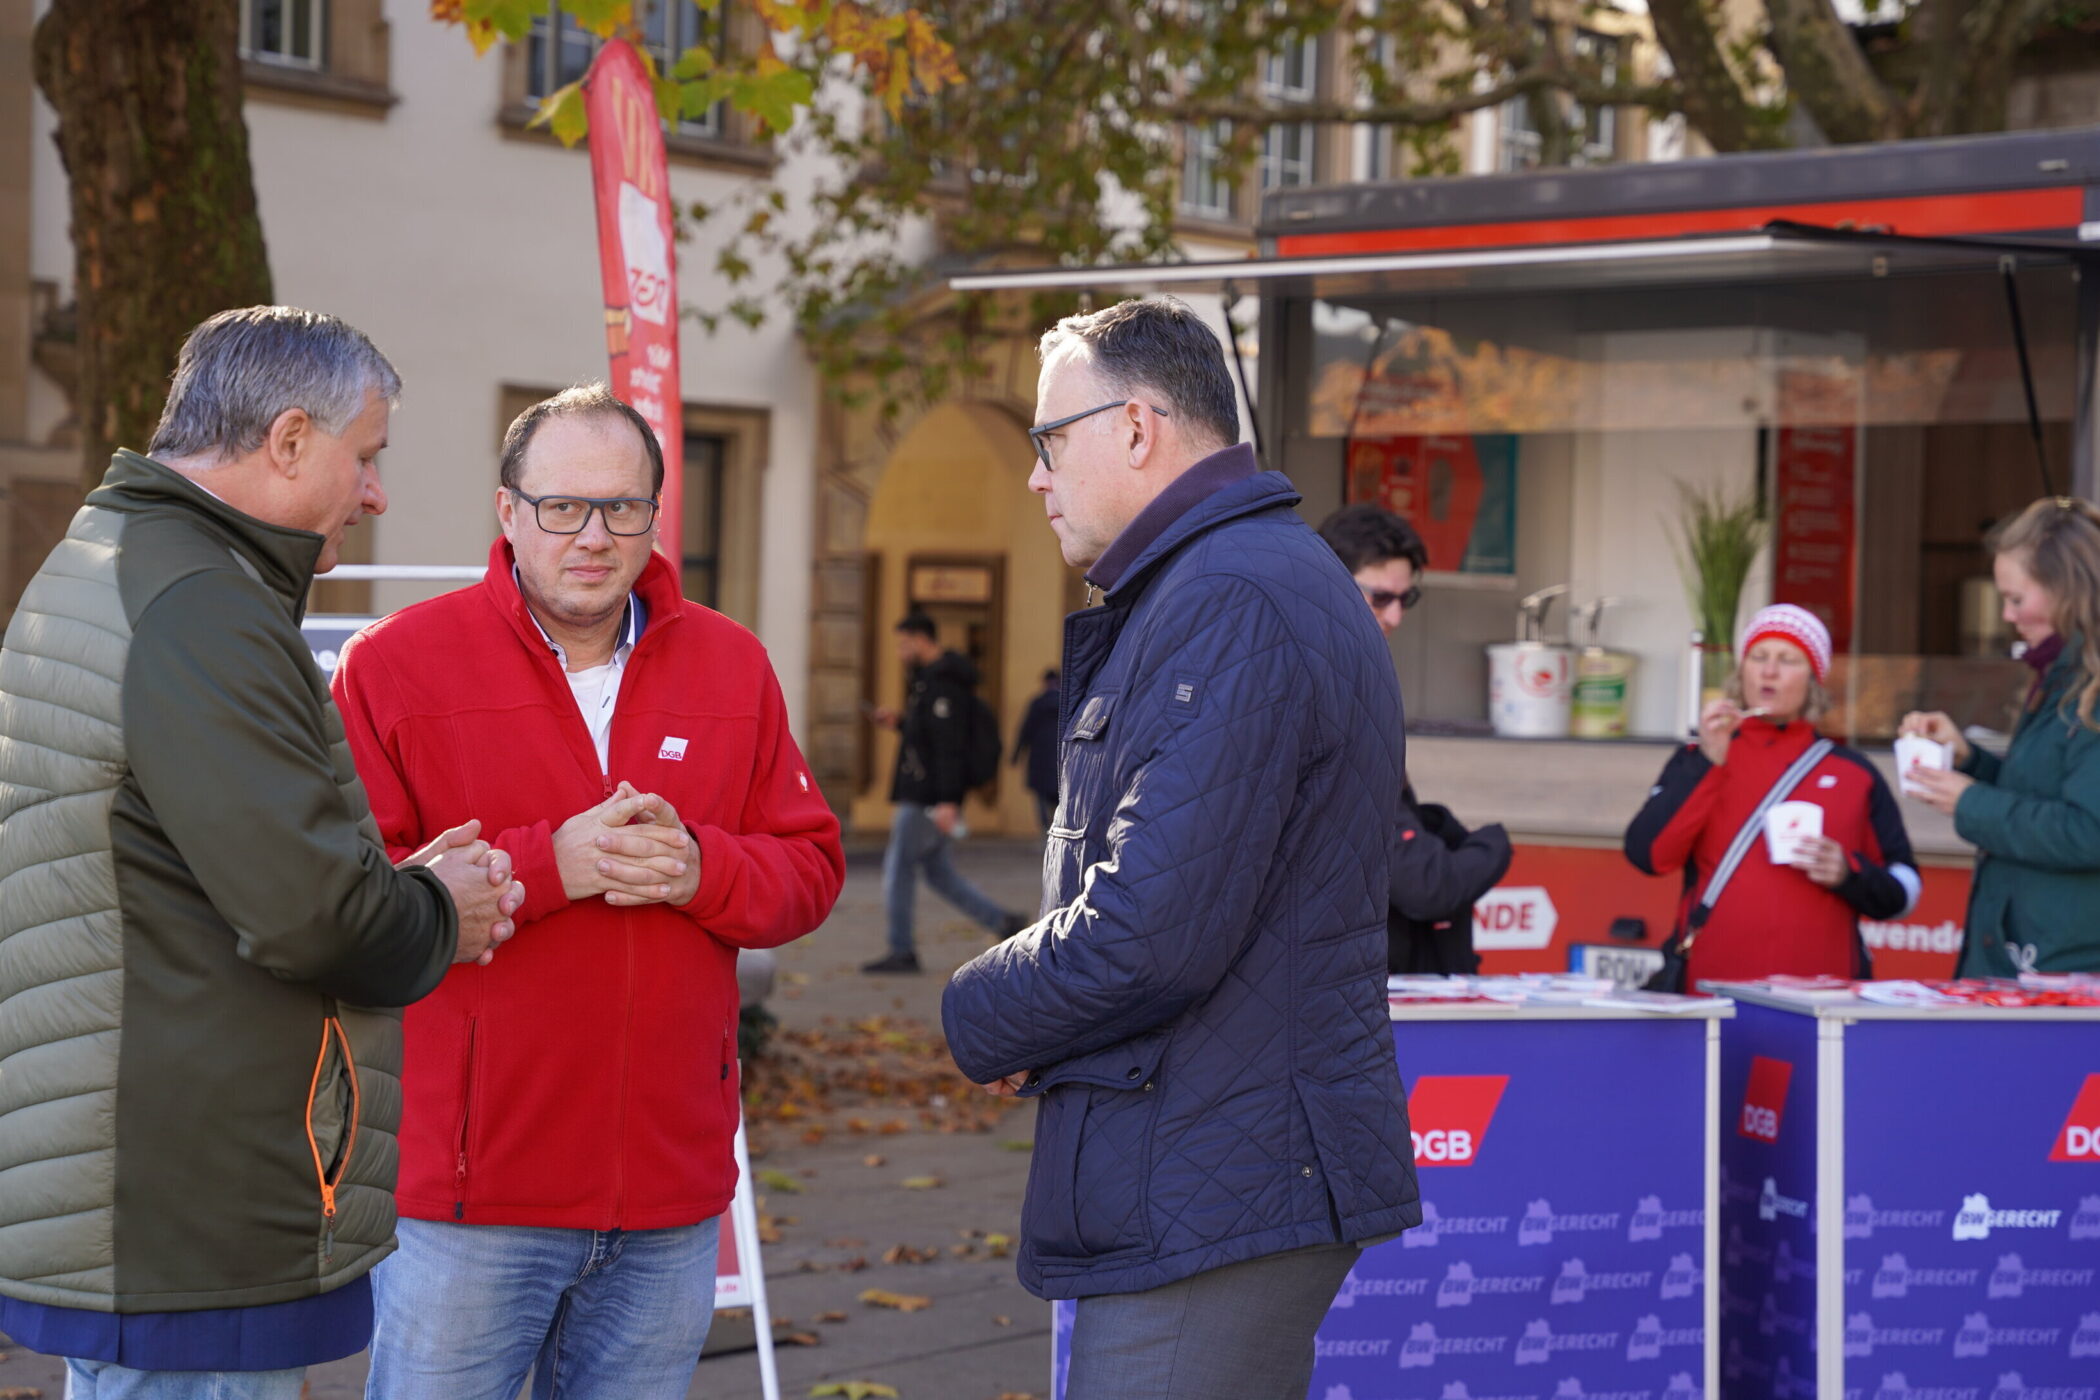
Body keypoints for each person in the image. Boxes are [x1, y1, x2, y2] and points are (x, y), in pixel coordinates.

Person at [0, 306, 521, 1400]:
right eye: (365, 456)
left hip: (142, 1183)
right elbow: (310, 912)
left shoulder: (128, 563)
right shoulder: (201, 605)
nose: (374, 492)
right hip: (190, 1206)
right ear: (288, 440)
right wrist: (438, 902)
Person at [942, 296, 1418, 1400]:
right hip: (1220, 1158)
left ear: (1139, 426)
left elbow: (1151, 930)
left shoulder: (1230, 595)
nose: (1036, 475)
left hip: (1217, 1176)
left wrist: (980, 1009)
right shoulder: (1233, 578)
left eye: (1049, 440)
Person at [332, 383, 844, 1400]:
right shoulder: (395, 664)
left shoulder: (732, 664)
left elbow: (812, 866)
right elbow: (349, 904)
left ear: (657, 514)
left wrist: (707, 867)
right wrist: (546, 867)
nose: (594, 535)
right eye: (563, 505)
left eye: (623, 507)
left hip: (668, 1194)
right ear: (508, 511)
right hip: (470, 1199)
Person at [1626, 603, 1918, 983]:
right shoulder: (1700, 757)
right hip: (1711, 994)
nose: (1769, 671)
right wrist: (1708, 761)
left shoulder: (1852, 771)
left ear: (1814, 678)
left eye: (1788, 659)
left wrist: (1850, 874)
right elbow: (1646, 855)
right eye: (1758, 656)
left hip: (1821, 1003)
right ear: (1741, 670)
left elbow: (1906, 891)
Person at [1901, 496, 2100, 976]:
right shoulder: (2063, 678)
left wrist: (1971, 803)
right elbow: (2040, 795)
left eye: (2016, 599)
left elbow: (2088, 832)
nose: (2007, 616)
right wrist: (1968, 760)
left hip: (2064, 972)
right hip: (2031, 958)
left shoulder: (2088, 687)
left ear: (2066, 590)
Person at [1317, 504, 1512, 974]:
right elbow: (1423, 883)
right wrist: (1493, 846)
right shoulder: (1319, 676)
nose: (1397, 616)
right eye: (1381, 598)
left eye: (1408, 599)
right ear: (1332, 582)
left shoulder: (1356, 670)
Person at [861, 611, 1026, 974]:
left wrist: (948, 801)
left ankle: (902, 950)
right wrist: (901, 722)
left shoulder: (944, 685)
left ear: (921, 639)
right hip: (930, 794)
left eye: (904, 644)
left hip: (926, 798)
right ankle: (1004, 922)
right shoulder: (930, 682)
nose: (900, 652)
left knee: (898, 869)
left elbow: (948, 746)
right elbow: (929, 736)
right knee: (938, 873)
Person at [1012, 667, 1063, 830]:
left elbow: (1026, 729)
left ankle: (1045, 831)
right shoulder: (1067, 704)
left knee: (1041, 798)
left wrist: (1016, 754)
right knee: (1060, 799)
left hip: (1039, 759)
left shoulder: (1037, 703)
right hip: (1061, 759)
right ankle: (1057, 830)